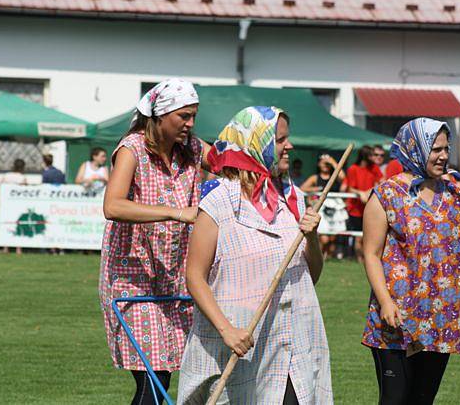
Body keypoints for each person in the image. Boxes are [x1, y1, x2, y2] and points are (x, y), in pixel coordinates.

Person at [178, 106, 332, 404]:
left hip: (293, 346)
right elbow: (194, 276)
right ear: (255, 144)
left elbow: (309, 277)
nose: (290, 146)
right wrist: (228, 330)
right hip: (239, 348)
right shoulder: (219, 201)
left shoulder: (294, 198)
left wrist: (312, 238)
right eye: (280, 139)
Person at [362, 117, 460, 405]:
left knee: (422, 400)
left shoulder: (454, 194)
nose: (444, 156)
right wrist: (385, 301)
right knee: (394, 400)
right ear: (415, 148)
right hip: (396, 319)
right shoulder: (386, 194)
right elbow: (370, 254)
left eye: (446, 149)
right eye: (436, 149)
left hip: (441, 319)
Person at [99, 79, 211, 405]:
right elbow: (113, 205)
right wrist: (177, 213)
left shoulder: (192, 149)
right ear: (160, 116)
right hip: (131, 279)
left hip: (173, 281)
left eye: (194, 116)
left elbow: (229, 163)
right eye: (184, 116)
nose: (190, 124)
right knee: (154, 380)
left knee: (161, 380)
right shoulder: (132, 149)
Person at [300, 154, 347, 259]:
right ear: (318, 164)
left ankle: (327, 258)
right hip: (322, 208)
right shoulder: (314, 178)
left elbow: (343, 177)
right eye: (323, 162)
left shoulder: (335, 176)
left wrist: (332, 162)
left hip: (335, 209)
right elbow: (302, 188)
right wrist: (315, 189)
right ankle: (318, 257)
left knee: (332, 238)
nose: (325, 165)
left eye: (327, 163)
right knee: (323, 238)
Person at [342, 145, 383, 262]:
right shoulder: (353, 169)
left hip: (370, 208)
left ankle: (365, 259)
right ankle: (359, 260)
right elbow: (350, 188)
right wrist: (361, 193)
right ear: (366, 156)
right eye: (373, 155)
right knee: (358, 237)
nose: (376, 157)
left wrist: (369, 191)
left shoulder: (374, 168)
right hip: (355, 208)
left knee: (369, 236)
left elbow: (382, 181)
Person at [0, 159, 27, 254]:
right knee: (19, 224)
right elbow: (25, 191)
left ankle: (5, 248)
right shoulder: (22, 177)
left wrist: (0, 197)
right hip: (18, 204)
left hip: (6, 204)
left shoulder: (6, 176)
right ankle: (18, 248)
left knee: (6, 223)